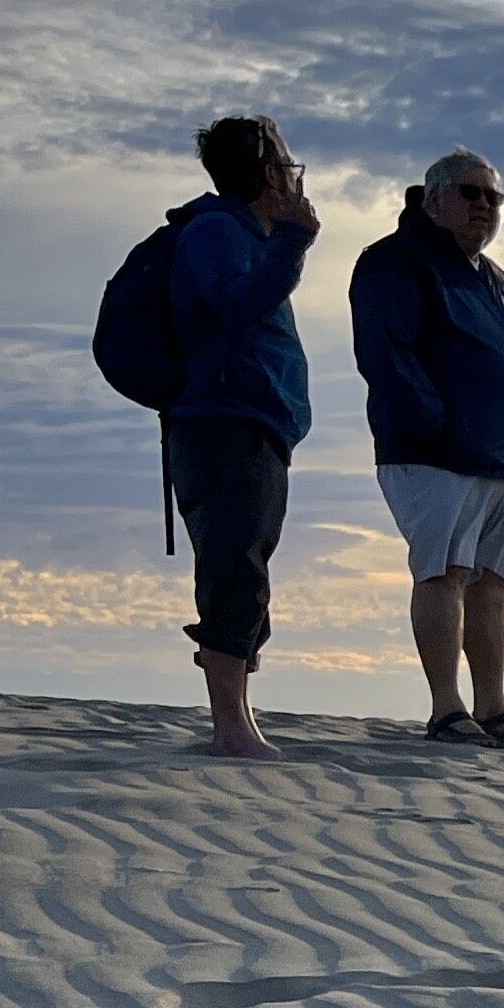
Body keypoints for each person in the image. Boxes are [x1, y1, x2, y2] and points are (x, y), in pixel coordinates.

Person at [350, 147, 504, 745]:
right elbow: (386, 353)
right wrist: (436, 423)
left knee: (491, 583)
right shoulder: (395, 260)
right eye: (471, 193)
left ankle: (493, 707)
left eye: (493, 197)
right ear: (433, 198)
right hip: (436, 454)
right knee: (444, 573)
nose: (484, 206)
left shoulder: (498, 280)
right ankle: (447, 708)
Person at [160, 115, 321, 760]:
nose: (294, 178)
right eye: (286, 165)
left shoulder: (241, 233)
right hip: (223, 425)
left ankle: (239, 720)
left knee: (245, 564)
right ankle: (230, 726)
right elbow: (239, 305)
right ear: (265, 173)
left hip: (251, 426)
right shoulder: (218, 232)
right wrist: (294, 241)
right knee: (234, 570)